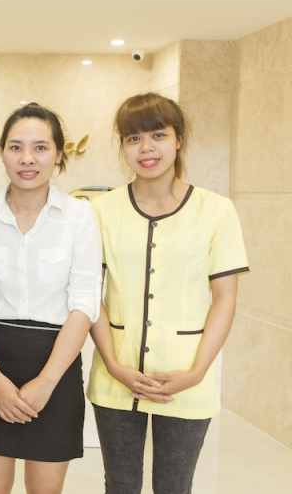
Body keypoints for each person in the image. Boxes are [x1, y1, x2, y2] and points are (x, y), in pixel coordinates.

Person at [87, 93, 249, 493]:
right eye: (133, 138)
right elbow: (90, 294)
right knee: (120, 484)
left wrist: (196, 372)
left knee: (175, 485)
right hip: (116, 375)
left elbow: (225, 298)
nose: (146, 148)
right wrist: (113, 364)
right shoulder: (100, 211)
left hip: (187, 375)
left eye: (158, 135)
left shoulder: (216, 211)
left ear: (179, 139)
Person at [0, 103, 102, 494]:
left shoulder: (80, 217)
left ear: (58, 155)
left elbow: (84, 303)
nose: (27, 158)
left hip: (56, 364)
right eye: (16, 147)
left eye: (40, 147)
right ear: (2, 152)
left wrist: (46, 381)